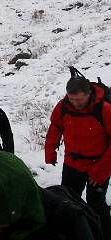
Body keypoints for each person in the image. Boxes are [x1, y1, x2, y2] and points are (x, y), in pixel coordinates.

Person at [45, 74, 111, 238]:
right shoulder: (63, 106)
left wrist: (101, 170)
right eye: (71, 99)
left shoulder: (104, 109)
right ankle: (72, 232)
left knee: (96, 203)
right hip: (72, 164)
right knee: (67, 201)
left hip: (98, 165)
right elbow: (55, 128)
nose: (75, 103)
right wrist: (50, 151)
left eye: (79, 100)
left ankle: (104, 233)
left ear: (89, 93)